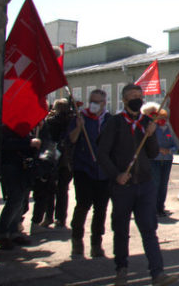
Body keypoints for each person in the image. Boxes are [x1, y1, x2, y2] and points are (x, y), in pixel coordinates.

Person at [97, 84, 178, 286]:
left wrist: (150, 136)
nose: (136, 99)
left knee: (149, 229)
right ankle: (121, 269)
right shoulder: (115, 123)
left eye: (139, 96)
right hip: (123, 186)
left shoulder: (146, 122)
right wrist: (116, 175)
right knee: (121, 229)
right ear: (124, 100)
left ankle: (157, 273)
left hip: (145, 183)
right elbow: (102, 154)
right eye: (132, 96)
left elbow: (151, 153)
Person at [68, 89, 110, 258]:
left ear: (104, 103)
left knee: (101, 209)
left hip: (103, 171)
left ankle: (96, 243)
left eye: (97, 102)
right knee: (83, 205)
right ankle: (77, 239)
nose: (93, 104)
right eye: (91, 101)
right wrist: (79, 128)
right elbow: (71, 139)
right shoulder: (80, 117)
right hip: (83, 168)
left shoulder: (110, 120)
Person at [31, 98, 74, 229]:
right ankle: (60, 218)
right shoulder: (71, 121)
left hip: (53, 158)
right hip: (65, 160)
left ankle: (49, 217)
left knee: (51, 190)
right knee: (62, 190)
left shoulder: (51, 121)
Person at [0, 123, 41, 250]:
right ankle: (3, 233)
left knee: (22, 201)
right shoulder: (6, 128)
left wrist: (34, 144)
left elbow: (29, 148)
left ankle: (14, 231)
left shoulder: (26, 128)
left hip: (24, 168)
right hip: (10, 166)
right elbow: (6, 145)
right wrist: (28, 143)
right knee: (15, 199)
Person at [146, 103, 178, 218]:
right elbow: (148, 143)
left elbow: (176, 144)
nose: (162, 120)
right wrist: (158, 149)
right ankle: (153, 208)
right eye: (160, 118)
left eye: (164, 118)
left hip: (167, 160)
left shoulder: (170, 130)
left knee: (163, 184)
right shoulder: (154, 129)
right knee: (156, 183)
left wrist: (169, 151)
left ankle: (160, 207)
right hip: (154, 159)